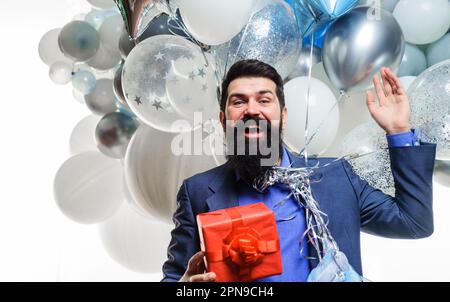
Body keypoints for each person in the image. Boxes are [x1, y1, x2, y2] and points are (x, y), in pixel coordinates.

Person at [161, 59, 436, 282]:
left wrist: (399, 131)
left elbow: (414, 223)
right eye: (239, 101)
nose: (251, 110)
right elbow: (175, 279)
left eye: (264, 100)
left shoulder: (336, 176)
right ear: (224, 121)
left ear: (284, 116)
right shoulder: (196, 191)